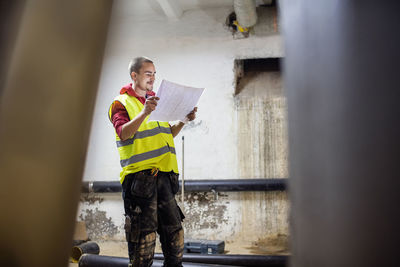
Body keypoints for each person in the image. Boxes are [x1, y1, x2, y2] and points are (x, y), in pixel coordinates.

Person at [108, 56, 197, 267]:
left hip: (165, 178)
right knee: (143, 245)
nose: (152, 78)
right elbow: (124, 133)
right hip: (139, 183)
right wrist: (145, 112)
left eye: (154, 73)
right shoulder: (120, 104)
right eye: (148, 74)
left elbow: (166, 135)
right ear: (134, 75)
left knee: (174, 237)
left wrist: (183, 120)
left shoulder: (157, 101)